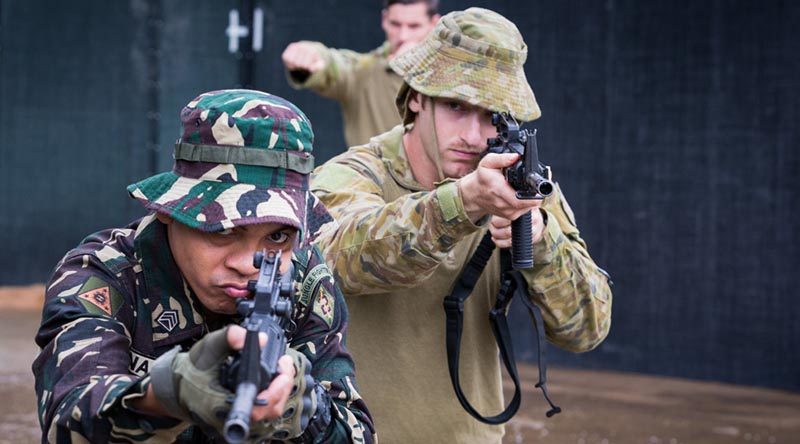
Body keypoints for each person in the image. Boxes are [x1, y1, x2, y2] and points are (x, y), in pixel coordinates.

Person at [310, 8, 613, 443]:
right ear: (416, 97)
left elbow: (587, 328)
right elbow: (339, 258)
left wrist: (541, 240)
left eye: (491, 115)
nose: (472, 135)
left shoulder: (523, 188)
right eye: (455, 106)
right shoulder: (357, 173)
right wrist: (464, 203)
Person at [32, 90, 375, 443]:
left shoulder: (303, 279)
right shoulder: (104, 274)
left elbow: (358, 434)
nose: (246, 265)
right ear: (169, 211)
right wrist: (166, 397)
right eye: (223, 231)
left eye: (277, 237)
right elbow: (68, 423)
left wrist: (306, 407)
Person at [281, 0, 439, 147]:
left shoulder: (450, 73)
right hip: (373, 174)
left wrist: (417, 66)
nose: (403, 36)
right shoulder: (363, 71)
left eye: (414, 26)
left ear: (434, 24)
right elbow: (335, 64)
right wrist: (309, 54)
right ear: (384, 20)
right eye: (395, 24)